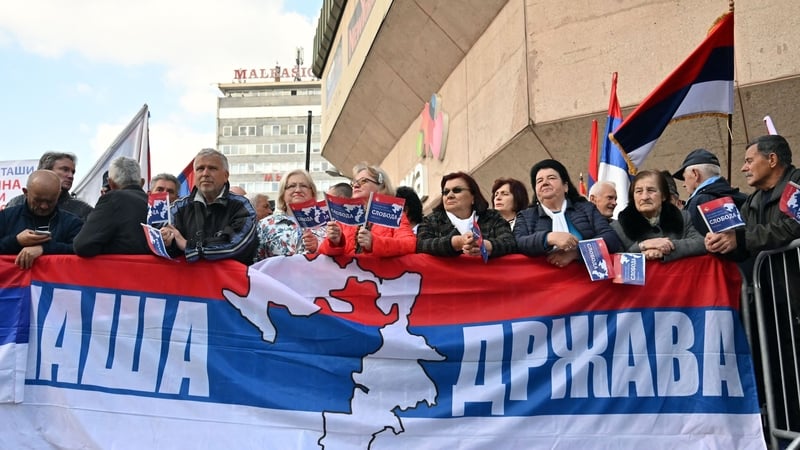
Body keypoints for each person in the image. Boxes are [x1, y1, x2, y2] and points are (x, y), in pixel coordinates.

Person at [705, 135, 800, 259]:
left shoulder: (797, 183)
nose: (743, 168)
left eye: (749, 161)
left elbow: (794, 226)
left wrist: (741, 238)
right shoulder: (752, 201)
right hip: (772, 277)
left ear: (772, 160)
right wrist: (721, 243)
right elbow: (743, 244)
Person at [515, 159, 621, 268]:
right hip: (545, 283)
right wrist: (548, 238)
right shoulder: (525, 216)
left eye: (551, 178)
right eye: (539, 181)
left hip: (587, 281)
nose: (545, 183)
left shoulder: (586, 208)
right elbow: (518, 243)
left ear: (565, 186)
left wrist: (576, 253)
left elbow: (611, 239)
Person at [161, 148, 258, 264]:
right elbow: (165, 245)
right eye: (200, 169)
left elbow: (235, 245)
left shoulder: (242, 206)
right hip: (187, 280)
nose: (205, 174)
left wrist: (189, 246)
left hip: (229, 281)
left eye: (212, 168)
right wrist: (166, 240)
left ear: (226, 175)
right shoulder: (178, 207)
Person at [319, 162, 416, 257]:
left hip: (379, 272)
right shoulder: (346, 215)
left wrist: (375, 243)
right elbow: (321, 254)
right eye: (354, 183)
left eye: (363, 181)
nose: (356, 186)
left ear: (381, 186)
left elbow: (410, 245)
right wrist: (335, 242)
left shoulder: (394, 213)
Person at [417, 172, 516, 258]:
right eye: (445, 192)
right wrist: (456, 242)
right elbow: (421, 245)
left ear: (473, 196)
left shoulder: (493, 217)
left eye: (457, 190)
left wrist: (487, 245)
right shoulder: (430, 221)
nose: (449, 195)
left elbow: (510, 242)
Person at [611, 170, 705, 261]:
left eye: (651, 190)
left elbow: (700, 243)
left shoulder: (682, 217)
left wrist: (665, 247)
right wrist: (643, 246)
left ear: (663, 196)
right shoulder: (618, 227)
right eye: (639, 191)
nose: (645, 197)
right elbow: (614, 260)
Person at [0, 170, 83, 269]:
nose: (44, 206)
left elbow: (80, 249)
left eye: (50, 201)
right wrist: (17, 241)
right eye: (38, 201)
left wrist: (44, 248)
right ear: (26, 193)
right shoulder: (6, 217)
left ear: (58, 194)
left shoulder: (72, 223)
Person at [73, 157, 150, 256]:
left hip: (121, 270)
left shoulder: (113, 199)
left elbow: (82, 245)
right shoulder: (157, 204)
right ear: (142, 182)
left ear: (111, 183)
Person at [672, 148, 747, 236]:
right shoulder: (743, 197)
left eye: (684, 178)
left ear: (695, 173)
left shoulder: (701, 200)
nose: (684, 184)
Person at [255, 170, 325, 260]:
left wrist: (318, 247)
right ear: (283, 193)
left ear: (312, 192)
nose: (298, 190)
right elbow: (256, 262)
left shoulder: (327, 224)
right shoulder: (265, 225)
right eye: (292, 186)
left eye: (303, 186)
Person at [5, 152, 93, 220]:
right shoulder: (16, 203)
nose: (71, 176)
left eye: (73, 172)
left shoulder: (83, 210)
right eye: (65, 170)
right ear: (45, 171)